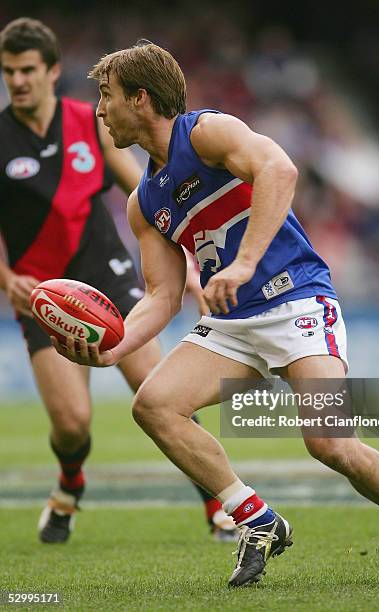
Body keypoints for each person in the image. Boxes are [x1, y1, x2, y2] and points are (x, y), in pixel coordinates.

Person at [53, 41, 379, 587]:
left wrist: (242, 264)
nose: (99, 110)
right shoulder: (143, 201)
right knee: (154, 405)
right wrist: (111, 348)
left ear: (140, 99)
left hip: (297, 299)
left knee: (330, 442)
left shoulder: (207, 132)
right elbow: (162, 296)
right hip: (232, 322)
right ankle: (255, 518)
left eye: (107, 96)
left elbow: (280, 169)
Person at [0, 18, 238, 545]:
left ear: (51, 71)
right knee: (72, 423)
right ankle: (69, 485)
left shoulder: (92, 122)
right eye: (9, 71)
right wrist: (8, 277)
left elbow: (152, 191)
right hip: (44, 294)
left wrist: (192, 267)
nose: (17, 80)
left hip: (107, 275)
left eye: (27, 70)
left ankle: (218, 507)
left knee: (156, 391)